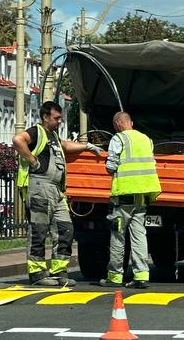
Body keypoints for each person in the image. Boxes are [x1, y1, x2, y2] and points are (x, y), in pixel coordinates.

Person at [14, 100, 103, 287]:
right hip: (40, 188)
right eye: (56, 118)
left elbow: (64, 145)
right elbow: (17, 140)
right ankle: (37, 274)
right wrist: (33, 161)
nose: (59, 121)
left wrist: (86, 146)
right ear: (45, 117)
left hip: (56, 190)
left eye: (60, 118)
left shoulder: (52, 135)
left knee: (65, 229)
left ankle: (58, 272)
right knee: (39, 231)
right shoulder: (36, 132)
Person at [104, 110, 163, 289]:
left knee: (118, 237)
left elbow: (110, 166)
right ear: (131, 122)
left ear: (118, 125)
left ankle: (114, 277)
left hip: (124, 196)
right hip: (142, 196)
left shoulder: (118, 139)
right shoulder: (146, 139)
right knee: (139, 236)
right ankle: (141, 276)